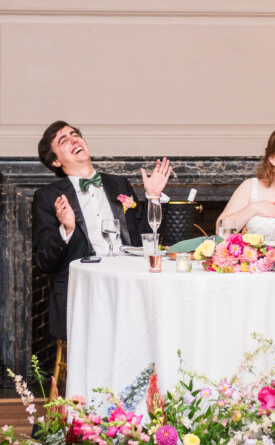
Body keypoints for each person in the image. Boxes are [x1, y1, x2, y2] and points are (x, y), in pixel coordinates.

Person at [33, 120, 172, 340]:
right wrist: (66, 229)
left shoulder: (120, 184)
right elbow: (44, 261)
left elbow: (146, 241)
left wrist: (153, 198)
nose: (74, 140)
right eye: (64, 140)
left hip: (129, 283)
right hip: (84, 291)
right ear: (56, 161)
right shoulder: (48, 197)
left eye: (75, 134)